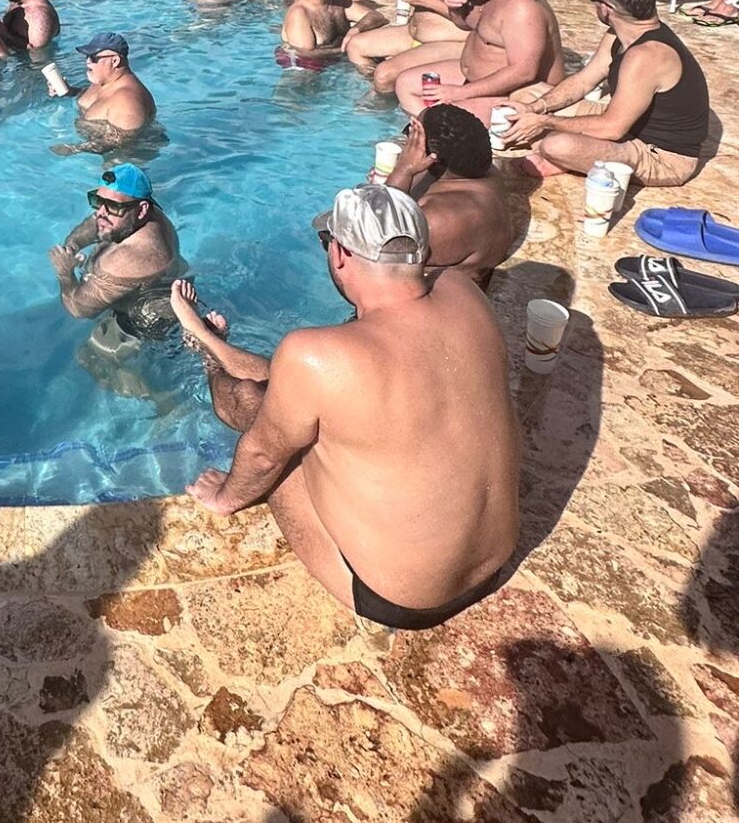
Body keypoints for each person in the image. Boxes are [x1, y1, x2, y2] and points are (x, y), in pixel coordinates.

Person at [178, 183, 519, 629]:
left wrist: (224, 497)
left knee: (259, 419)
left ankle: (205, 352)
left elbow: (262, 457)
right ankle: (210, 343)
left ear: (340, 254)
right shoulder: (464, 292)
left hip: (402, 599)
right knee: (293, 397)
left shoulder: (315, 355)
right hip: (495, 564)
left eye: (328, 242)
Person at [498, 0, 710, 188]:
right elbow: (584, 80)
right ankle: (573, 158)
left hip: (660, 156)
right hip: (627, 122)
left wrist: (544, 121)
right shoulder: (620, 34)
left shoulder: (647, 56)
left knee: (557, 145)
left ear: (607, 9)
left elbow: (612, 128)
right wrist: (536, 108)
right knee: (526, 94)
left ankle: (564, 158)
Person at [396, 0, 564, 119]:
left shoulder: (522, 9)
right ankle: (425, 129)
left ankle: (434, 130)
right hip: (476, 79)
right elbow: (468, 24)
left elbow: (524, 72)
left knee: (442, 118)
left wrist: (460, 93)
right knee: (406, 84)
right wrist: (455, 8)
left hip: (518, 93)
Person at [383, 107, 517, 283]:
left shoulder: (439, 218)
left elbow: (371, 236)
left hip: (428, 291)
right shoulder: (484, 173)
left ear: (432, 158)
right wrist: (399, 180)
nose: (408, 141)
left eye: (413, 134)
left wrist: (402, 170)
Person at [50, 164, 179, 320]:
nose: (100, 213)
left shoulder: (126, 259)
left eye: (113, 206)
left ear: (142, 209)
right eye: (98, 201)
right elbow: (96, 221)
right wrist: (72, 246)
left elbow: (78, 309)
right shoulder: (146, 214)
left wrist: (64, 272)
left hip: (144, 319)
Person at [73, 30, 155, 137]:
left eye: (93, 58)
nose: (87, 61)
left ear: (115, 61)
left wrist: (72, 147)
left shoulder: (127, 102)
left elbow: (125, 142)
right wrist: (69, 91)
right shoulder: (103, 81)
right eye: (87, 56)